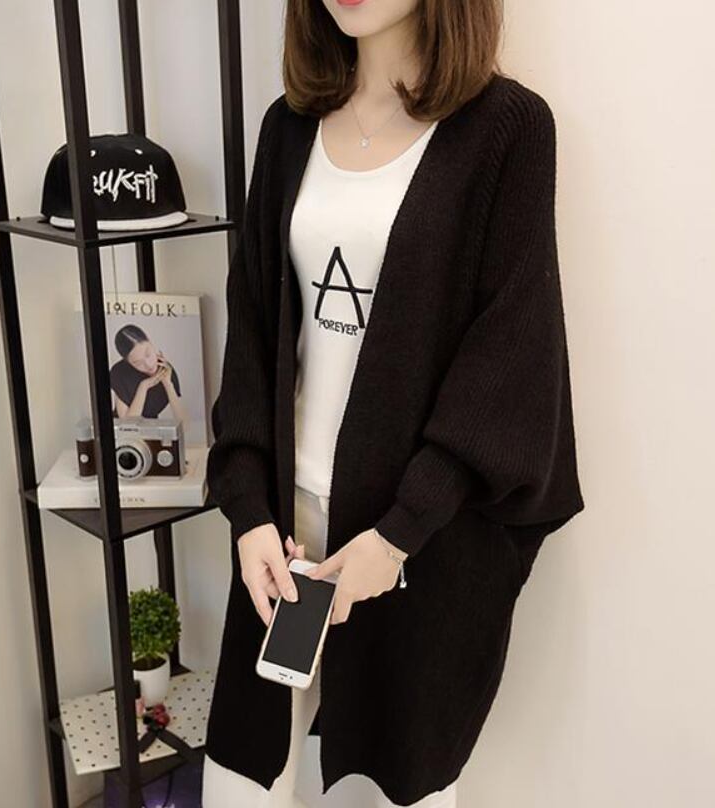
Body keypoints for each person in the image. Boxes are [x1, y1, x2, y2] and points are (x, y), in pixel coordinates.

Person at [203, 0, 585, 806]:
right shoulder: (288, 127)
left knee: (397, 786)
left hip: (410, 540)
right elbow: (253, 328)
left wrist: (399, 534)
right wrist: (246, 511)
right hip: (283, 527)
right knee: (240, 780)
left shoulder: (507, 130)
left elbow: (510, 353)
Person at [109, 323, 187, 425]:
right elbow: (128, 426)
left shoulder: (165, 369)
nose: (149, 365)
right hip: (118, 432)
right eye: (138, 363)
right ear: (128, 363)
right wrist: (143, 387)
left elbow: (184, 425)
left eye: (148, 354)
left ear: (150, 341)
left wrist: (168, 384)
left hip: (151, 429)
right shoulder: (120, 372)